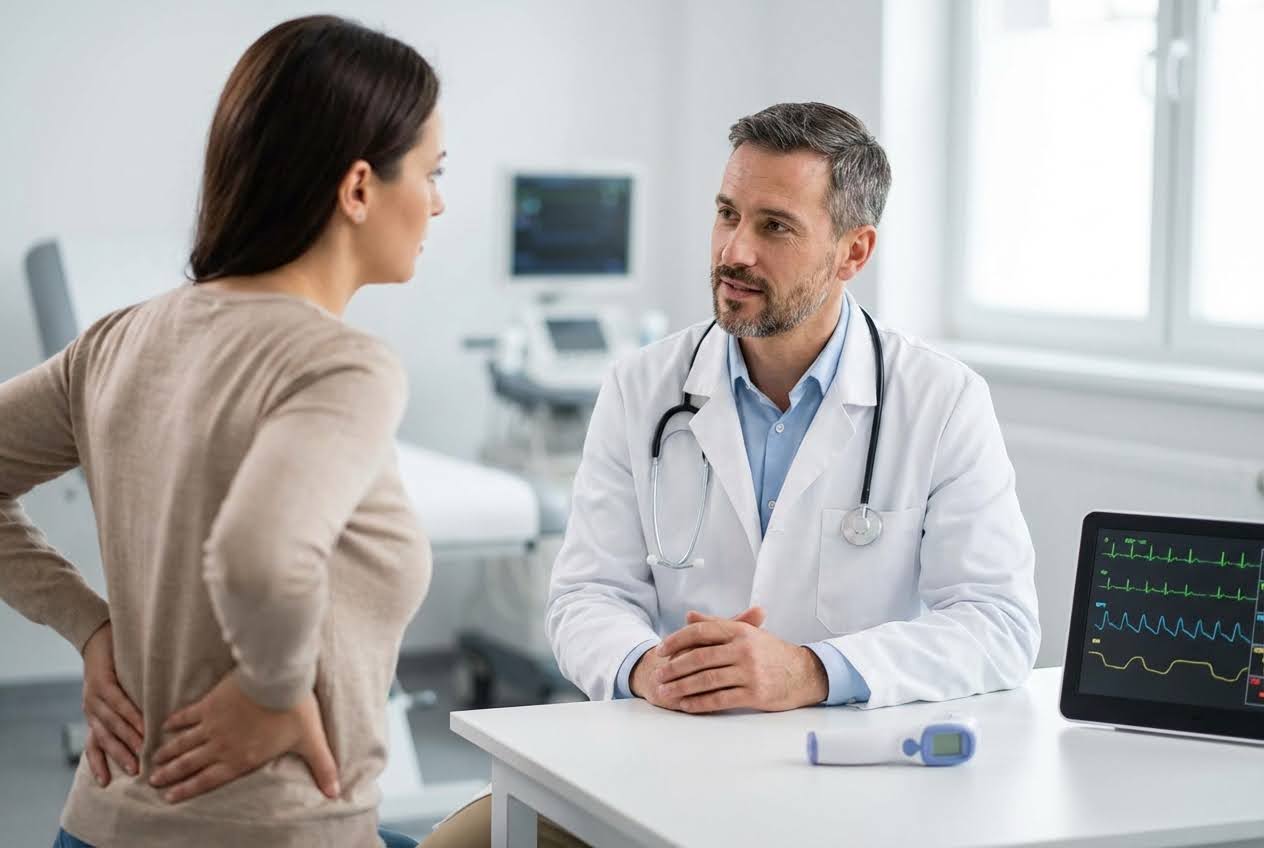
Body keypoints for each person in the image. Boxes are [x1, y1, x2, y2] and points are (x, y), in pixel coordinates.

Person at [0, 15, 445, 848]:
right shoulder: (344, 365)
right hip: (271, 829)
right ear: (358, 189)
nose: (439, 200)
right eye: (432, 171)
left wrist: (89, 628)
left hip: (96, 826)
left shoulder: (117, 339)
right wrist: (274, 690)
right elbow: (259, 556)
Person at [547, 101, 1040, 715]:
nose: (735, 252)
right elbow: (587, 595)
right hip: (677, 742)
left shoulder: (941, 400)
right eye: (727, 214)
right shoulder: (641, 387)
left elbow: (997, 624)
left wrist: (811, 672)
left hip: (853, 762)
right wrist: (648, 669)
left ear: (853, 253)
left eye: (775, 227)